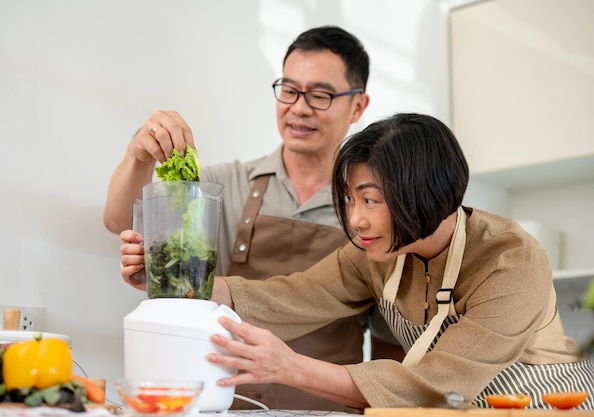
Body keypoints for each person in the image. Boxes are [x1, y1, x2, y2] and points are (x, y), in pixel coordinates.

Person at [191, 113, 592, 409]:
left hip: (547, 406)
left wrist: (290, 367)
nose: (354, 219)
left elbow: (435, 382)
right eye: (350, 198)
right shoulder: (375, 253)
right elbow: (295, 296)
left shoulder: (510, 260)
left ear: (424, 192)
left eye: (370, 200)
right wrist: (182, 281)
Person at [106, 26, 401, 410]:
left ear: (358, 106)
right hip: (228, 405)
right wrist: (138, 155)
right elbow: (119, 219)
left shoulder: (375, 211)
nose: (299, 108)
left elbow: (389, 343)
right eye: (290, 90)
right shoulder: (222, 185)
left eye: (320, 95)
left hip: (330, 410)